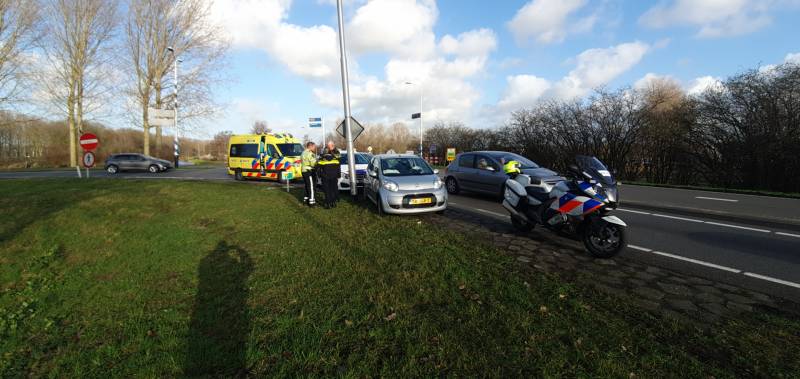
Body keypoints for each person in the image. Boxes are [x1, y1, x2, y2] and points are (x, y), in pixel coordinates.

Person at [317, 141, 341, 208]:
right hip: (333, 175)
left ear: (332, 146)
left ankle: (329, 203)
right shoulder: (335, 156)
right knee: (331, 189)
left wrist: (319, 174)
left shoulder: (323, 156)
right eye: (328, 146)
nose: (328, 147)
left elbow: (319, 165)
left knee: (329, 189)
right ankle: (332, 202)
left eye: (329, 146)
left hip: (325, 175)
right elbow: (338, 164)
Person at [300, 142, 318, 206]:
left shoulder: (303, 153)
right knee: (311, 187)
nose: (315, 148)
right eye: (314, 146)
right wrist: (317, 162)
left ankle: (306, 199)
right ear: (310, 146)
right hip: (309, 171)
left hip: (303, 171)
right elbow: (313, 163)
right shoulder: (310, 154)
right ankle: (312, 202)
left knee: (307, 186)